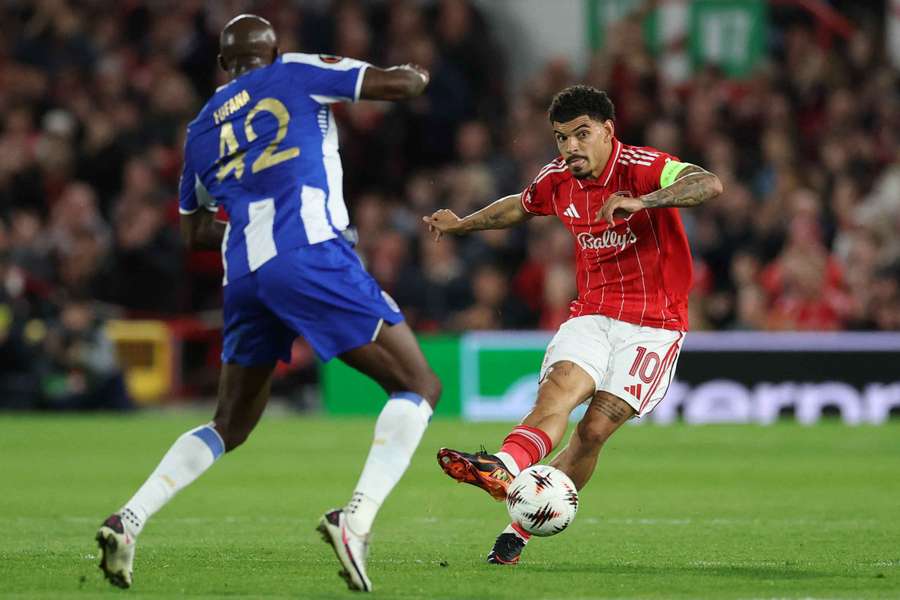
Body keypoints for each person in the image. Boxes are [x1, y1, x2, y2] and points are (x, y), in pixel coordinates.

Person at [95, 15, 441, 593]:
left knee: (229, 423)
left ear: (223, 65)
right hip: (308, 252)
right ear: (274, 51)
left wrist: (252, 217)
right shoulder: (295, 71)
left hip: (243, 274)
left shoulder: (200, 128)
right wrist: (420, 71)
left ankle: (127, 521)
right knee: (419, 384)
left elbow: (194, 231)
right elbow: (400, 85)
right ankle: (355, 520)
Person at [423, 85, 722, 564]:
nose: (570, 147)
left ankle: (520, 529)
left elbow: (707, 183)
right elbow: (518, 206)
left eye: (582, 134)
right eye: (561, 138)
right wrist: (463, 224)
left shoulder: (642, 166)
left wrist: (645, 202)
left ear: (607, 130)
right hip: (593, 314)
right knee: (557, 394)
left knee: (595, 430)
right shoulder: (558, 179)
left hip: (655, 325)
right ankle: (502, 464)